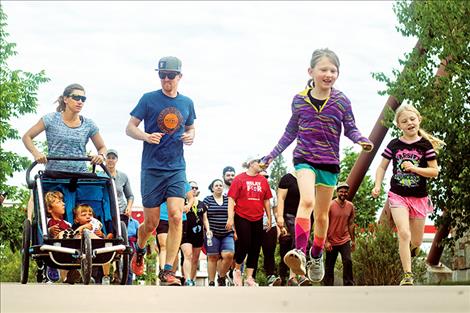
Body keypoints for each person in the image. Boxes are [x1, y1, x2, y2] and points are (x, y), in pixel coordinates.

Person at [262, 48, 373, 283]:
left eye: (333, 70)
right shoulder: (299, 100)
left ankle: (315, 255)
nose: (329, 74)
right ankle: (300, 252)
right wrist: (272, 155)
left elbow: (350, 127)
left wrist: (360, 139)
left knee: (322, 216)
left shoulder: (341, 101)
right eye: (324, 69)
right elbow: (290, 132)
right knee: (308, 202)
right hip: (304, 158)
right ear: (311, 71)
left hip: (329, 162)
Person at [126, 56, 196, 286]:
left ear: (180, 77)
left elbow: (191, 126)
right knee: (152, 223)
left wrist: (191, 136)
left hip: (176, 167)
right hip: (152, 168)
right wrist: (146, 136)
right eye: (162, 75)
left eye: (171, 76)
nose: (166, 80)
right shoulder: (148, 99)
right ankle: (140, 248)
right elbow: (130, 128)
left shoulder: (187, 102)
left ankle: (168, 271)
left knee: (177, 216)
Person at [372, 103, 443, 286]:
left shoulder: (425, 145)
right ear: (399, 125)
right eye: (404, 121)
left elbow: (434, 171)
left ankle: (410, 253)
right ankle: (407, 275)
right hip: (398, 195)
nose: (409, 123)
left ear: (419, 120)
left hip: (419, 197)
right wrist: (377, 185)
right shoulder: (394, 144)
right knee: (404, 233)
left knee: (416, 241)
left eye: (412, 119)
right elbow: (381, 167)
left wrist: (414, 168)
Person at [22, 83, 107, 220]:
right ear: (66, 99)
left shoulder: (89, 124)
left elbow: (102, 147)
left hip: (80, 176)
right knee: (54, 216)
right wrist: (36, 153)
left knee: (82, 215)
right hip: (54, 176)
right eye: (76, 97)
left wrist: (101, 155)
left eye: (83, 99)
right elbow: (27, 137)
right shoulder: (50, 119)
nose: (80, 101)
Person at [227, 156, 272, 287]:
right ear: (251, 163)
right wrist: (230, 218)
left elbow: (266, 200)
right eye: (259, 162)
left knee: (255, 247)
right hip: (242, 216)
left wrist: (269, 217)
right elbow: (231, 199)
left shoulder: (263, 180)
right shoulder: (239, 179)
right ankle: (236, 270)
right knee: (244, 243)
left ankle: (250, 277)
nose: (262, 165)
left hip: (258, 217)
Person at [155, 182, 193, 285]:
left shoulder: (182, 180)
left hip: (179, 218)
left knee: (175, 249)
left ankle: (171, 273)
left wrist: (188, 205)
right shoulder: (161, 179)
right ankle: (164, 272)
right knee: (163, 246)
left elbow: (191, 198)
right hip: (162, 217)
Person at [276, 172, 310, 286]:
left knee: (304, 243)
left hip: (306, 216)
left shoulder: (310, 179)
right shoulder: (288, 178)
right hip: (290, 215)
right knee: (297, 239)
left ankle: (294, 276)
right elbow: (280, 198)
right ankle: (295, 275)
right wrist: (280, 216)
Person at [323, 182, 356, 286]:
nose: (343, 193)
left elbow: (351, 224)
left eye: (345, 192)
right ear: (337, 192)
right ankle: (328, 286)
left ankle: (349, 284)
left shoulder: (350, 206)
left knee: (348, 261)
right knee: (329, 265)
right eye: (341, 191)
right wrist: (326, 241)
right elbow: (324, 223)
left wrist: (353, 240)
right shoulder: (330, 205)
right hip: (331, 240)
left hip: (345, 239)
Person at [203, 179, 235, 286]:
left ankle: (221, 276)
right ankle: (211, 281)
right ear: (212, 188)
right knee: (212, 256)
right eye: (216, 185)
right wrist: (208, 230)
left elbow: (233, 215)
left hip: (227, 233)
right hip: (213, 233)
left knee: (229, 254)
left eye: (220, 185)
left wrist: (234, 229)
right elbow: (205, 217)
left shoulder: (228, 200)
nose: (218, 187)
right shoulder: (207, 200)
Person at [72, 203, 112, 284]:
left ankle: (106, 276)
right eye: (84, 215)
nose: (88, 216)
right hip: (80, 251)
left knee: (105, 249)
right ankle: (79, 275)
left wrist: (102, 234)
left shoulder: (96, 227)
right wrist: (83, 227)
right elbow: (73, 235)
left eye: (90, 214)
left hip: (97, 249)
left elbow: (103, 238)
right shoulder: (75, 226)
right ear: (76, 219)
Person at [256, 170, 281, 286]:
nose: (265, 178)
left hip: (270, 226)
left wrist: (280, 227)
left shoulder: (272, 192)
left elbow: (275, 211)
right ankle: (250, 277)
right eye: (262, 176)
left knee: (269, 252)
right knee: (253, 252)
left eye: (267, 177)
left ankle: (271, 276)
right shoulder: (251, 191)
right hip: (254, 225)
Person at [184, 181, 210, 286]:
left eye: (195, 188)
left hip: (198, 233)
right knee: (187, 255)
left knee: (195, 259)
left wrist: (208, 230)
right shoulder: (182, 202)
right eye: (191, 187)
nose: (194, 189)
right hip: (185, 232)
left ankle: (192, 279)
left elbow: (205, 219)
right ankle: (187, 279)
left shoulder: (202, 204)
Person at [104, 149, 134, 226]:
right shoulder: (99, 176)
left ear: (116, 160)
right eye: (108, 158)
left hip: (121, 211)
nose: (110, 160)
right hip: (106, 212)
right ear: (105, 159)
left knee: (121, 235)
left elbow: (130, 196)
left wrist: (129, 207)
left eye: (113, 158)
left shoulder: (123, 176)